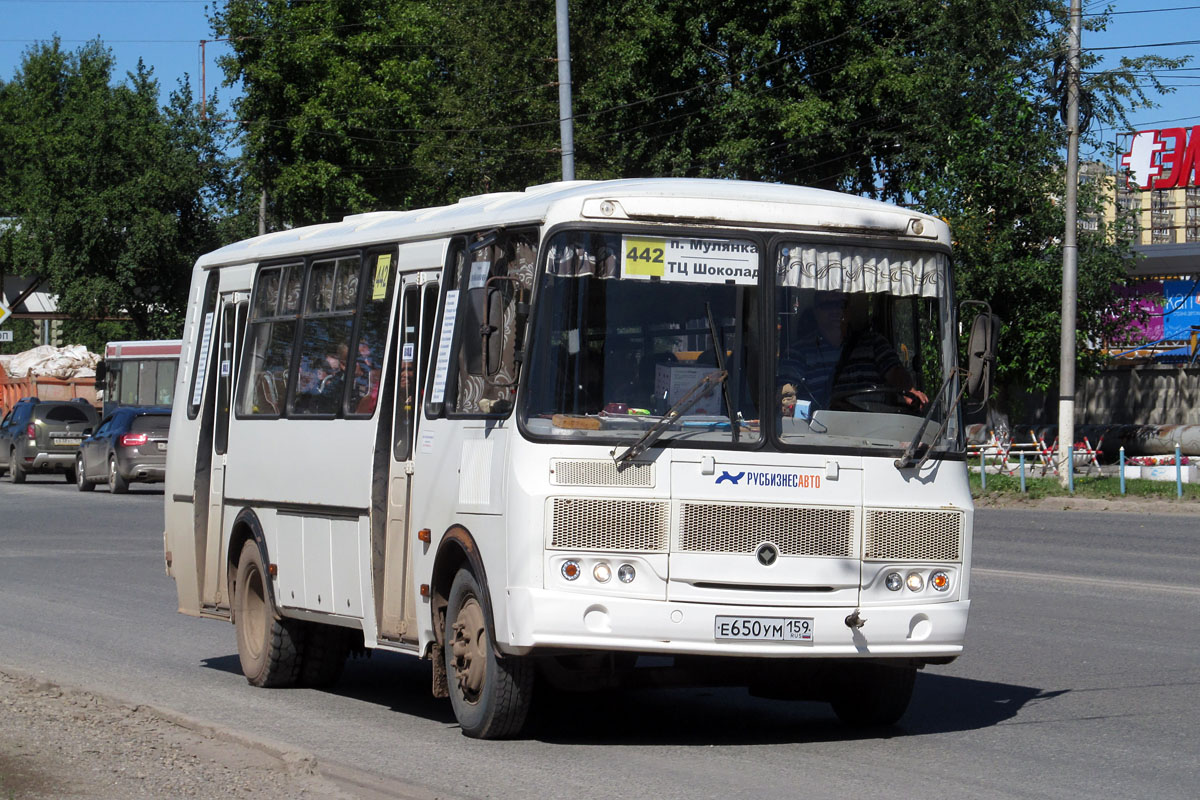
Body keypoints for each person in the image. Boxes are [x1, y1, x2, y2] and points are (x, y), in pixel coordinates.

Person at [779, 291, 928, 415]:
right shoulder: (798, 353)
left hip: (878, 430)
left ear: (848, 311)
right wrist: (789, 404)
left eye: (841, 305)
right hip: (820, 435)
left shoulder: (874, 344)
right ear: (816, 311)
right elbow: (787, 393)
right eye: (827, 305)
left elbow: (895, 373)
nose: (835, 311)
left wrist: (909, 391)